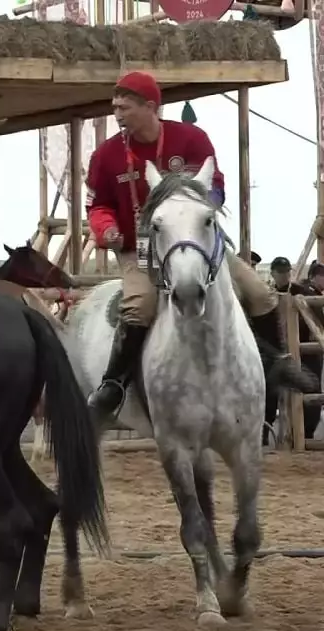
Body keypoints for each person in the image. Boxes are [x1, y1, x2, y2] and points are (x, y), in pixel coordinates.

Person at [84, 70, 318, 425]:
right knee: (140, 306)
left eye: (124, 106)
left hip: (197, 241)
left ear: (150, 106)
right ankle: (114, 384)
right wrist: (107, 229)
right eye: (114, 105)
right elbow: (96, 205)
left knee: (260, 293)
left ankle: (279, 364)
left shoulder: (190, 139)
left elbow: (217, 184)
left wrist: (202, 206)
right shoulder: (105, 156)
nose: (116, 112)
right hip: (141, 247)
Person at [266, 257, 322, 444]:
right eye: (281, 272)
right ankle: (265, 435)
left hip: (305, 352)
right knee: (271, 393)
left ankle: (307, 435)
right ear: (273, 273)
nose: (285, 275)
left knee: (310, 389)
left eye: (287, 272)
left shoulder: (302, 292)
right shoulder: (268, 294)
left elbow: (318, 317)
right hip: (276, 352)